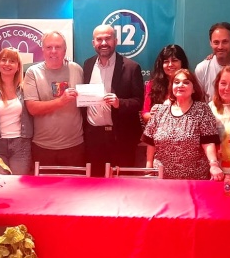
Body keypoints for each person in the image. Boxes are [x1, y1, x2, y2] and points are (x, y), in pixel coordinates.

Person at [83, 24, 144, 177]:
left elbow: (139, 102)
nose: (104, 43)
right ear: (93, 43)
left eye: (108, 38)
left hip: (121, 136)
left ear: (115, 41)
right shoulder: (87, 64)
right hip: (93, 137)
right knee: (95, 182)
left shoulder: (131, 67)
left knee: (121, 182)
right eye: (99, 39)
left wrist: (119, 103)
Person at [142, 69, 222, 180]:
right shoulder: (160, 110)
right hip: (161, 179)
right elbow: (151, 142)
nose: (180, 85)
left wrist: (213, 165)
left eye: (186, 82)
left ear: (194, 89)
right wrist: (148, 168)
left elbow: (208, 141)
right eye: (176, 82)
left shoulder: (202, 109)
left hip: (194, 180)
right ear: (171, 87)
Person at [23, 31, 85, 167]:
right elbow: (32, 108)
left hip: (75, 145)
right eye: (49, 47)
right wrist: (61, 101)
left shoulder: (77, 69)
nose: (53, 51)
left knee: (75, 182)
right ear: (43, 49)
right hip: (43, 146)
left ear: (65, 50)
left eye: (58, 47)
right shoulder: (33, 72)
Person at [0, 48, 33, 174]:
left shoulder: (26, 89)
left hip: (21, 144)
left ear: (18, 67)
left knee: (17, 182)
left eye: (12, 61)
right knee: (0, 182)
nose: (7, 64)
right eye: (3, 60)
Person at [142, 44, 190, 123]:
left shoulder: (190, 83)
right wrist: (154, 115)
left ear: (182, 62)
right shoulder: (152, 85)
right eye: (166, 61)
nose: (170, 65)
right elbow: (145, 113)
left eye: (174, 60)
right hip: (159, 128)